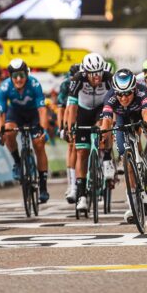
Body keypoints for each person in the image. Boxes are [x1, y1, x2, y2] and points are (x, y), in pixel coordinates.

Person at [100, 69, 147, 224]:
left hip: (138, 117)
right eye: (120, 94)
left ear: (134, 89)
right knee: (127, 161)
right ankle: (133, 205)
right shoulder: (110, 97)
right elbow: (106, 120)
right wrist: (102, 136)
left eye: (127, 94)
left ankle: (145, 169)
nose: (123, 98)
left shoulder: (142, 91)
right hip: (122, 120)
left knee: (140, 141)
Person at [0, 58, 50, 203]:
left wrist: (44, 130)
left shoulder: (34, 84)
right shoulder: (4, 87)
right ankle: (18, 162)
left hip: (33, 114)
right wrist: (0, 133)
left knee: (39, 144)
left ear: (26, 74)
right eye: (15, 76)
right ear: (10, 76)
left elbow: (42, 110)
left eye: (22, 75)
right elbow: (0, 114)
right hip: (16, 113)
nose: (19, 79)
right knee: (8, 131)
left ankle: (43, 186)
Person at [66, 53, 113, 211]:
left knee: (105, 124)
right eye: (93, 73)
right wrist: (71, 127)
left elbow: (115, 103)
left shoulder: (108, 77)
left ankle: (107, 158)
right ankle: (82, 195)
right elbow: (72, 107)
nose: (97, 76)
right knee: (81, 153)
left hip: (101, 108)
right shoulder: (78, 79)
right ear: (85, 72)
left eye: (99, 72)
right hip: (83, 111)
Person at [57, 63, 80, 203]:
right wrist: (62, 128)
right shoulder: (65, 85)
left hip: (83, 112)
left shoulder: (85, 82)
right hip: (69, 113)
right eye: (72, 79)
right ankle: (72, 184)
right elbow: (62, 109)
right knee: (72, 146)